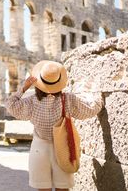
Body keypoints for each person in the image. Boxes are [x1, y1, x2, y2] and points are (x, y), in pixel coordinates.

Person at [6, 60, 103, 191]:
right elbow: (90, 109)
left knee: (43, 189)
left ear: (38, 83)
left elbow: (11, 105)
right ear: (59, 82)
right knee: (63, 189)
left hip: (39, 149)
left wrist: (24, 88)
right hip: (63, 149)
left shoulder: (31, 102)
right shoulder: (68, 99)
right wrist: (96, 92)